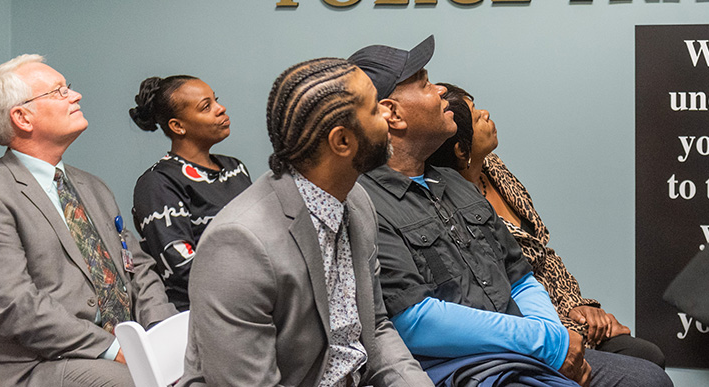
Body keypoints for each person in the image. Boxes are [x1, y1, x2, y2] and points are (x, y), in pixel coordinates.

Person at [349, 37, 672, 387]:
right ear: (391, 114)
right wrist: (543, 342)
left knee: (647, 379)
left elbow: (519, 276)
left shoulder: (455, 184)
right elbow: (416, 321)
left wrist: (551, 338)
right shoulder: (364, 201)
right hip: (463, 366)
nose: (441, 89)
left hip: (526, 349)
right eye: (425, 83)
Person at [178, 57, 431, 387]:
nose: (387, 114)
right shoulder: (239, 244)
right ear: (342, 142)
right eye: (373, 109)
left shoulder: (356, 200)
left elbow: (376, 325)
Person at [424, 83, 665, 367]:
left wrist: (579, 304)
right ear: (461, 150)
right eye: (477, 117)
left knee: (649, 355)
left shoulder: (493, 169)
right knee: (643, 364)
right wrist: (577, 327)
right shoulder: (451, 208)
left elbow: (542, 252)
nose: (487, 114)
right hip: (529, 327)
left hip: (561, 306)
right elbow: (500, 295)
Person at [0, 54, 176, 387]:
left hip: (123, 346)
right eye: (59, 91)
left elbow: (139, 269)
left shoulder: (94, 187)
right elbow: (15, 303)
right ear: (22, 117)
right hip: (42, 362)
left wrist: (164, 335)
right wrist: (116, 349)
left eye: (69, 88)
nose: (75, 96)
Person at [128, 74, 251, 311]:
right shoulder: (158, 183)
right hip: (206, 316)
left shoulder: (235, 168)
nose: (221, 108)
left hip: (259, 305)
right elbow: (182, 267)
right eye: (207, 107)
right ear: (178, 126)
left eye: (216, 100)